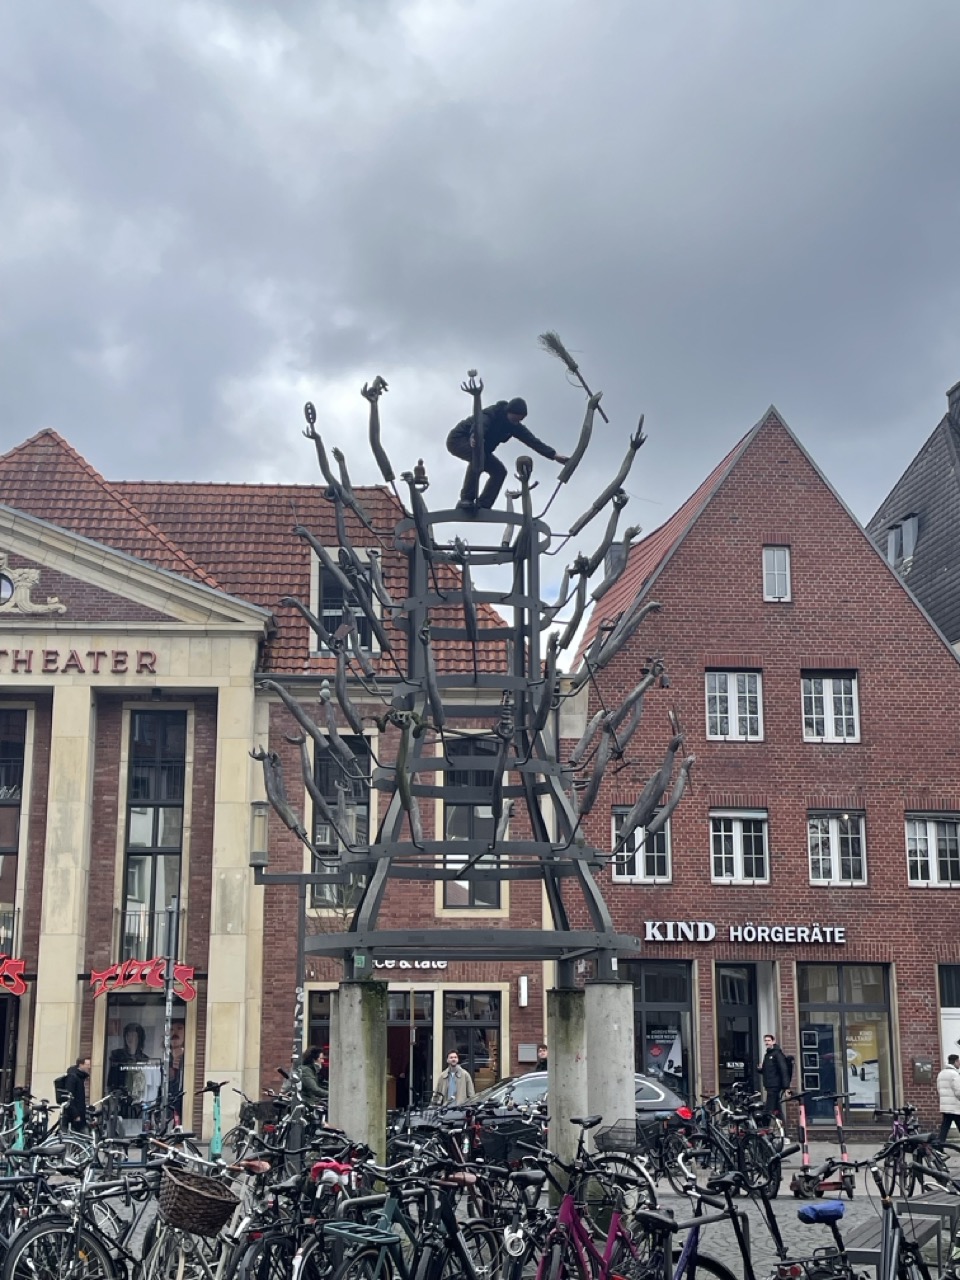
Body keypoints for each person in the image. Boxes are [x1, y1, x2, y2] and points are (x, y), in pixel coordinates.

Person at [447, 398, 570, 513]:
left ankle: (484, 504)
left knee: (499, 471)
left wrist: (554, 455)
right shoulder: (493, 413)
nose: (516, 422)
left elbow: (532, 441)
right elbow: (481, 423)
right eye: (515, 419)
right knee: (479, 458)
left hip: (481, 450)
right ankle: (466, 499)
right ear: (509, 412)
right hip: (458, 440)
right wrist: (474, 435)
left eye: (519, 420)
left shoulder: (514, 426)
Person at [759, 1033, 791, 1118]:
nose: (767, 1042)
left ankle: (765, 1124)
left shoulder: (777, 1054)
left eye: (769, 1040)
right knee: (777, 1108)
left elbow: (784, 1070)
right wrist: (760, 1069)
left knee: (768, 1109)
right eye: (765, 1041)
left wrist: (786, 1087)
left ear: (773, 1041)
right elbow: (768, 1071)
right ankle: (781, 1124)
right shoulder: (767, 1055)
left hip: (774, 1085)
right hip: (769, 1085)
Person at [60, 1056, 91, 1132]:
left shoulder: (80, 1077)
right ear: (81, 1065)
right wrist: (75, 1115)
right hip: (73, 1117)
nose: (89, 1067)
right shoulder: (73, 1077)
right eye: (87, 1064)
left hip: (79, 1115)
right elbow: (69, 1097)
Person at [937, 1052, 960, 1140]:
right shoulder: (955, 1074)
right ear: (955, 1062)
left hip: (945, 1106)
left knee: (945, 1128)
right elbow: (958, 1091)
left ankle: (940, 1144)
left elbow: (939, 1089)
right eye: (959, 1062)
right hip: (955, 1106)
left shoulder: (941, 1073)